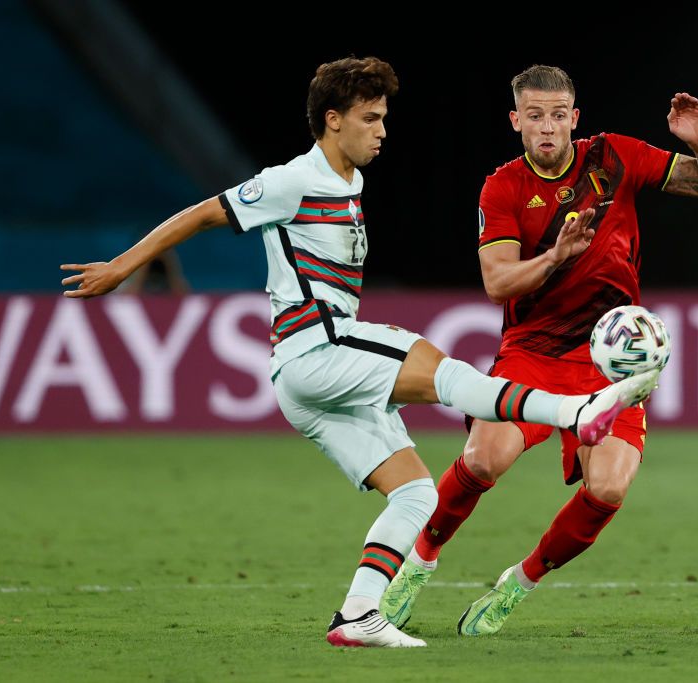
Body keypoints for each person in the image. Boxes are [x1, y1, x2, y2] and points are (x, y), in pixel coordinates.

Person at [59, 57, 661, 648]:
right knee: (441, 370)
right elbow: (201, 215)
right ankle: (576, 414)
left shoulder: (352, 182)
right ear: (332, 120)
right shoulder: (294, 179)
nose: (382, 131)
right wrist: (121, 266)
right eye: (371, 118)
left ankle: (357, 615)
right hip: (316, 348)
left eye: (382, 118)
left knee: (416, 493)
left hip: (310, 385)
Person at [381, 65, 698, 636]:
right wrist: (556, 257)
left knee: (610, 486)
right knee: (482, 459)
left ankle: (519, 582)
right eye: (535, 116)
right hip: (534, 351)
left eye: (557, 116)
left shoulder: (615, 158)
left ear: (575, 118)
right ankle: (419, 562)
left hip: (608, 359)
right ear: (516, 121)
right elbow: (498, 282)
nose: (547, 128)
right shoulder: (503, 187)